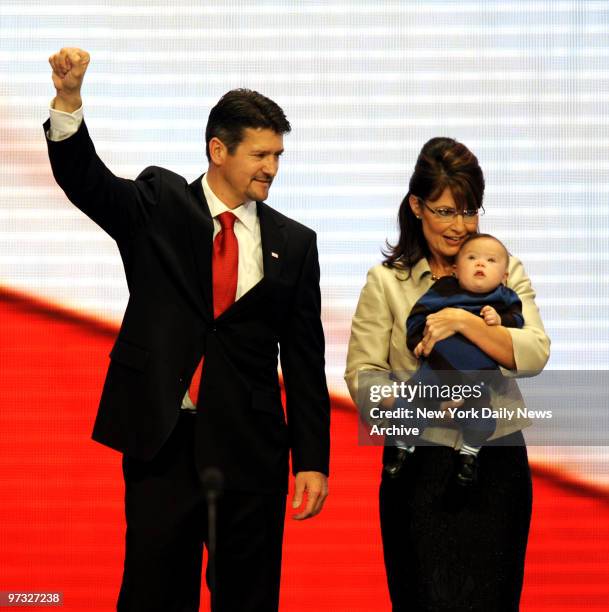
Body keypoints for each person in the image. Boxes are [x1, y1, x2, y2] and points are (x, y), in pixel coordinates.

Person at [45, 47, 330, 612]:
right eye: (259, 154)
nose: (271, 167)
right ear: (217, 150)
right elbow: (88, 181)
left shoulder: (295, 243)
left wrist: (314, 459)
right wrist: (69, 102)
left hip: (251, 449)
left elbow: (302, 359)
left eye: (277, 155)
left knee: (247, 597)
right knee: (155, 593)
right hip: (164, 439)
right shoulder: (159, 203)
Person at [345, 137, 550, 610]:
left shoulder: (502, 270)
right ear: (417, 206)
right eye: (444, 212)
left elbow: (535, 352)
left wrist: (462, 322)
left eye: (469, 211)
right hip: (416, 467)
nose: (460, 228)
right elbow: (363, 375)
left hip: (495, 464)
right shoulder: (387, 281)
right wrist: (415, 399)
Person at [389, 233, 524, 486]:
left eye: (491, 260)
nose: (480, 264)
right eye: (472, 258)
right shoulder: (444, 290)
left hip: (477, 379)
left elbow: (518, 322)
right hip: (437, 369)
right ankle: (401, 448)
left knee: (482, 419)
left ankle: (469, 457)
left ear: (505, 276)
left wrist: (500, 320)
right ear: (455, 270)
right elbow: (418, 316)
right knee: (409, 405)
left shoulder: (504, 299)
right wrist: (418, 341)